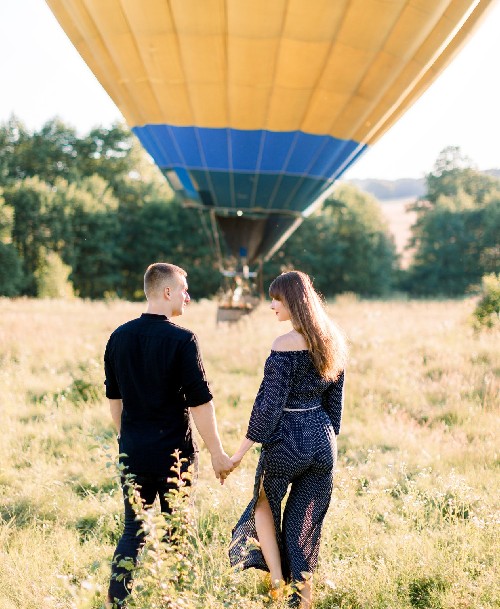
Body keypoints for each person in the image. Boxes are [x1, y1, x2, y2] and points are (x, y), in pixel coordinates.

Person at [104, 262, 233, 608]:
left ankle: (115, 603)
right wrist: (218, 454)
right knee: (176, 533)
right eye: (183, 290)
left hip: (133, 451)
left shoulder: (119, 336)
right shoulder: (182, 339)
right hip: (174, 456)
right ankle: (173, 600)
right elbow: (200, 402)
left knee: (134, 530)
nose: (187, 297)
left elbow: (113, 399)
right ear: (166, 292)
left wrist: (127, 439)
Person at [229, 271, 347, 609]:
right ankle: (303, 599)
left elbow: (269, 406)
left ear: (292, 302)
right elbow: (334, 404)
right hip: (323, 441)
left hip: (287, 440)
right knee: (305, 522)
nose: (271, 306)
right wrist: (324, 438)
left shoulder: (283, 345)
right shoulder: (333, 340)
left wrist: (239, 453)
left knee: (265, 505)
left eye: (276, 299)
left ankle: (278, 582)